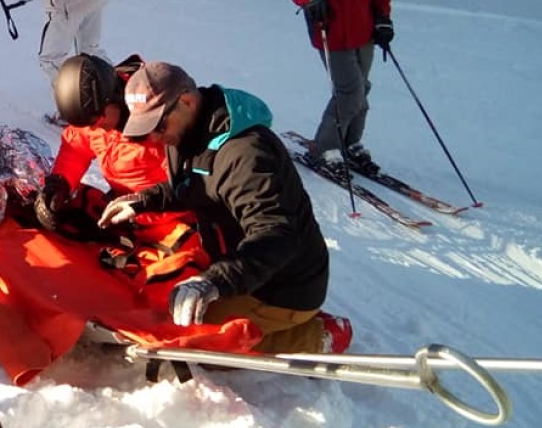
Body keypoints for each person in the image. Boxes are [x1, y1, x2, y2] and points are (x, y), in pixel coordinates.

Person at [96, 61, 352, 354]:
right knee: (169, 305)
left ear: (187, 101)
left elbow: (277, 235)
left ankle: (317, 336)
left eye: (158, 125)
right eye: (147, 129)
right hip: (246, 267)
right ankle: (267, 317)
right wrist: (143, 200)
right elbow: (194, 185)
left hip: (282, 287)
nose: (154, 137)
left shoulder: (246, 154)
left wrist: (214, 281)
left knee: (188, 340)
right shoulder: (190, 131)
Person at [288, 0, 394, 173]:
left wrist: (383, 18)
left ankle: (350, 142)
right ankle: (326, 147)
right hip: (330, 31)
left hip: (364, 31)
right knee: (350, 91)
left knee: (362, 89)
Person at [33, 53, 169, 240]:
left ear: (113, 98)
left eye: (95, 121)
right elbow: (76, 148)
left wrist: (141, 207)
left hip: (166, 220)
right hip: (121, 209)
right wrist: (60, 183)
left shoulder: (157, 123)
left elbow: (187, 186)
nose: (94, 129)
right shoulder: (94, 111)